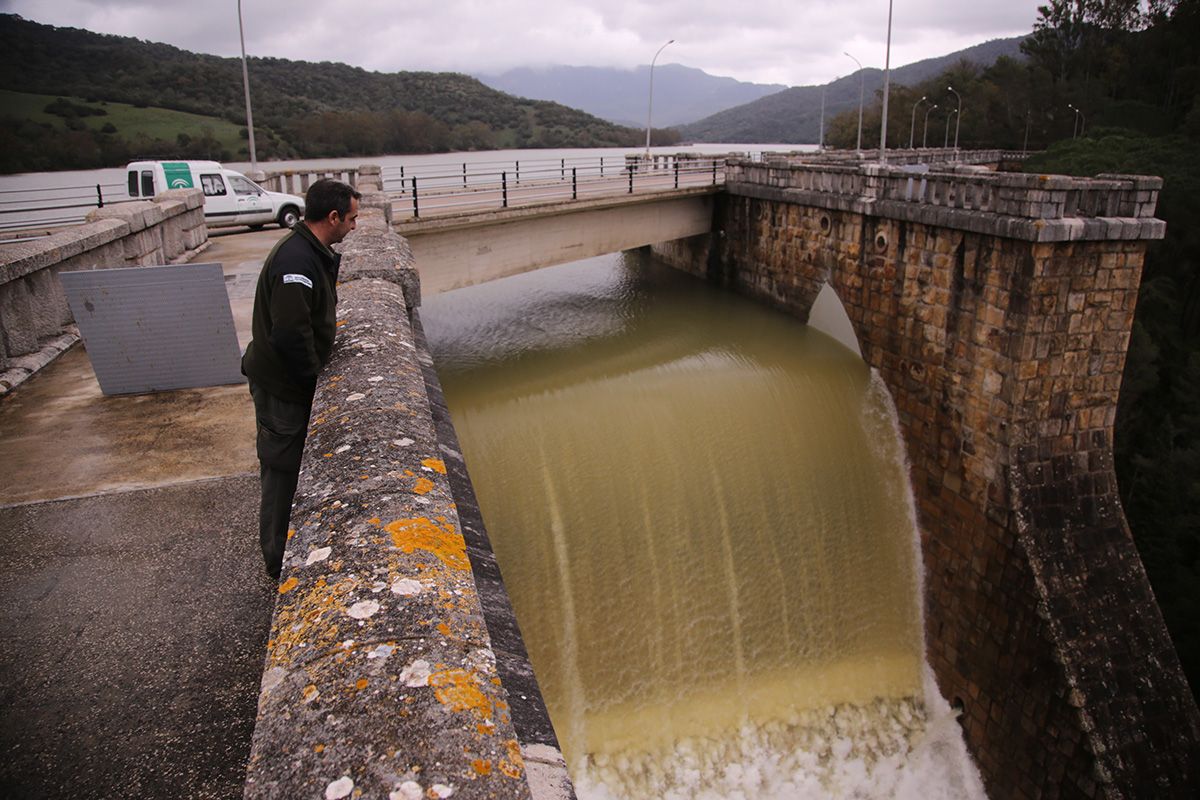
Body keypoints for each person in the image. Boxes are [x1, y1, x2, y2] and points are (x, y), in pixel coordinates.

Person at [241, 178, 360, 579]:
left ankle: (284, 551)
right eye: (352, 219)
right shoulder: (296, 261)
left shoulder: (311, 251)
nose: (355, 227)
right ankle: (277, 564)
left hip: (287, 384)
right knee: (281, 469)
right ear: (332, 217)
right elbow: (291, 334)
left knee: (288, 467)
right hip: (282, 389)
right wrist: (314, 385)